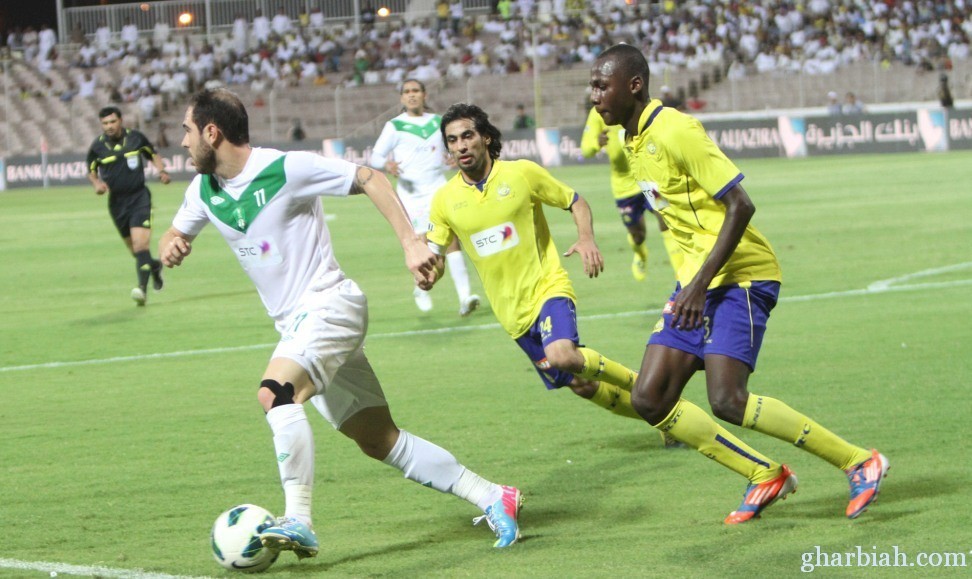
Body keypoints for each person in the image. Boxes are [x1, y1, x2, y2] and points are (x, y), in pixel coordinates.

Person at [159, 88, 522, 559]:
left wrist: (411, 243)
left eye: (187, 132)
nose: (182, 143)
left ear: (212, 132)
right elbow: (176, 228)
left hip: (331, 305)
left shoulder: (286, 168)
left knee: (276, 393)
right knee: (379, 440)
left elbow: (368, 176)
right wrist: (172, 242)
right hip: (300, 326)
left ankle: (299, 520)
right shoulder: (203, 190)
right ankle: (494, 495)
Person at [589, 44, 888, 524]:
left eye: (602, 85)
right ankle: (763, 474)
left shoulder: (675, 129)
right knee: (650, 398)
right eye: (593, 85)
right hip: (696, 284)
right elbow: (679, 216)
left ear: (635, 85)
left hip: (741, 275)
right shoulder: (631, 141)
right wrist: (688, 281)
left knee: (728, 399)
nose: (594, 95)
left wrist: (698, 283)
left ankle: (859, 462)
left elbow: (740, 205)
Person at [425, 102, 667, 434]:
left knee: (563, 355)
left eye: (467, 136)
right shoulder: (444, 199)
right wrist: (430, 274)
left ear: (484, 137)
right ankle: (662, 417)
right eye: (452, 140)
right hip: (512, 314)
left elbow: (575, 201)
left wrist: (586, 238)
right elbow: (436, 253)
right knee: (581, 385)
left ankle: (654, 393)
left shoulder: (520, 173)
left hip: (547, 288)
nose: (461, 145)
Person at [369, 79, 480, 316]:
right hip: (411, 195)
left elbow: (452, 148)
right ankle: (421, 288)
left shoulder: (438, 122)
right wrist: (387, 164)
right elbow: (375, 157)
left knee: (451, 241)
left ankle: (465, 298)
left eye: (416, 91)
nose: (412, 95)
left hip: (438, 189)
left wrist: (453, 158)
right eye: (407, 92)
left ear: (424, 95)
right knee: (423, 246)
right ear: (401, 98)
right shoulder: (395, 126)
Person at [580, 105, 682, 282]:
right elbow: (585, 149)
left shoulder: (635, 103)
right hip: (624, 186)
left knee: (666, 219)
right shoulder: (598, 112)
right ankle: (640, 254)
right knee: (637, 234)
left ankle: (682, 274)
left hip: (648, 178)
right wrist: (596, 142)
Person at [86, 105, 170, 306]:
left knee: (141, 245)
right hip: (116, 203)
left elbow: (153, 154)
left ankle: (141, 290)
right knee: (137, 252)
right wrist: (97, 184)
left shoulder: (136, 138)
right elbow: (91, 169)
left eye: (112, 122)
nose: (109, 126)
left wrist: (161, 171)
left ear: (121, 121)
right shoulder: (97, 146)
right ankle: (155, 267)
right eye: (105, 123)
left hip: (139, 197)